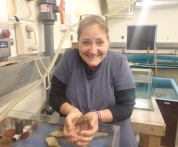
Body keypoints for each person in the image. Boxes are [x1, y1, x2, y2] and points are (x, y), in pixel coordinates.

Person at [49, 15, 137, 147]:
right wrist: (72, 111)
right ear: (78, 42)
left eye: (100, 42)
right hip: (76, 135)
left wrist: (97, 115)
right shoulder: (69, 59)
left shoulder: (119, 63)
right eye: (86, 42)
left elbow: (126, 107)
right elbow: (55, 97)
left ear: (108, 42)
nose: (93, 50)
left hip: (114, 136)